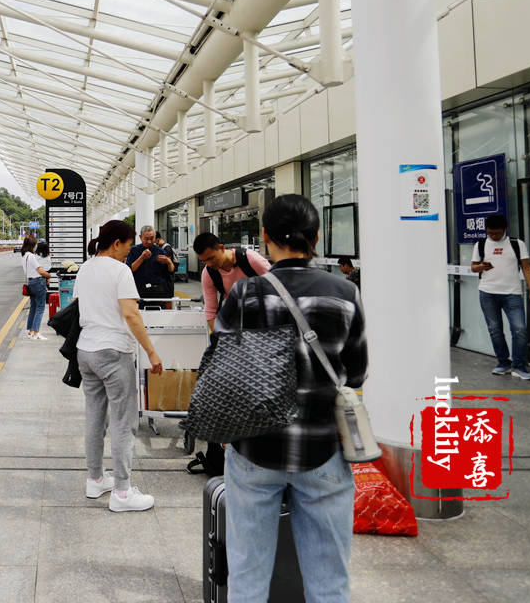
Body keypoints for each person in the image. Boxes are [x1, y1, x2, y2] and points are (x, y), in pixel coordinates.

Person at [214, 194, 367, 602]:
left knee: (247, 572)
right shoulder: (345, 292)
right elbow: (358, 370)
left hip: (253, 448)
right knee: (329, 576)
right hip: (321, 446)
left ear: (265, 238)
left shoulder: (245, 294)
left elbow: (221, 368)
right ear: (316, 237)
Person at [73, 219, 164, 512]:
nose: (129, 251)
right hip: (113, 352)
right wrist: (152, 353)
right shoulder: (120, 270)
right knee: (124, 423)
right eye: (127, 245)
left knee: (94, 418)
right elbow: (132, 315)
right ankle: (122, 493)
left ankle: (95, 479)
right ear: (116, 244)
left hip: (85, 350)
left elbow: (79, 307)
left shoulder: (85, 268)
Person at [471, 214, 530, 380]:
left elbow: (526, 268)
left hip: (512, 293)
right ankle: (503, 362)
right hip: (487, 293)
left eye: (497, 233)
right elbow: (473, 268)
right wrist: (481, 266)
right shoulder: (480, 244)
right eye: (490, 233)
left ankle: (519, 366)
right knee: (495, 330)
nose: (494, 236)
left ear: (505, 229)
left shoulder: (516, 244)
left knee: (519, 330)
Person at [192, 231, 272, 333]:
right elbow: (211, 311)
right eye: (203, 261)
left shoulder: (250, 259)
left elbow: (277, 286)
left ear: (221, 248)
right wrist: (220, 338)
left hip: (266, 319)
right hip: (237, 322)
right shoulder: (208, 274)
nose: (209, 264)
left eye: (211, 258)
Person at [126, 225, 176, 309]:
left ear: (155, 237)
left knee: (158, 318)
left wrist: (169, 262)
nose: (149, 241)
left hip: (158, 292)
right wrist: (142, 258)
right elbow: (130, 270)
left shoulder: (160, 251)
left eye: (152, 238)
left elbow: (170, 271)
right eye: (146, 239)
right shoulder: (133, 250)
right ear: (140, 237)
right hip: (139, 291)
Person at [20, 235, 51, 341]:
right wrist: (49, 275)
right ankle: (36, 332)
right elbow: (40, 271)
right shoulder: (31, 256)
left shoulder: (25, 256)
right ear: (32, 245)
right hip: (38, 282)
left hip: (31, 283)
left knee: (33, 307)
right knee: (40, 308)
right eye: (35, 244)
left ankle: (30, 331)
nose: (36, 246)